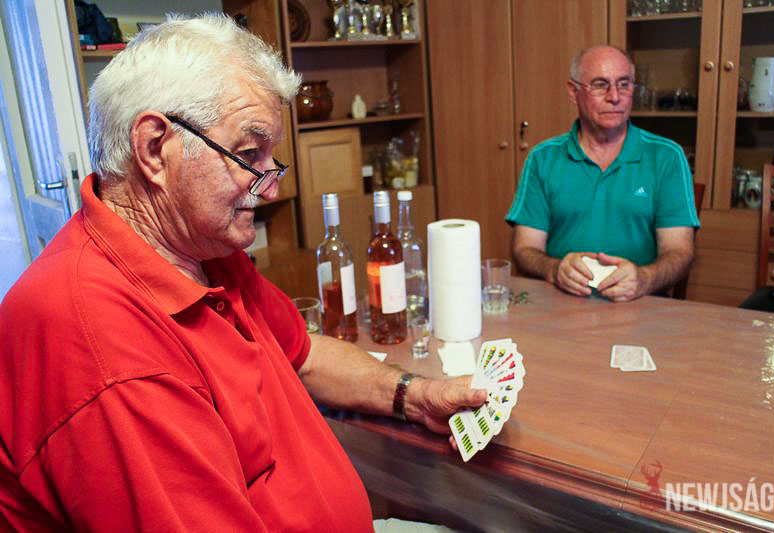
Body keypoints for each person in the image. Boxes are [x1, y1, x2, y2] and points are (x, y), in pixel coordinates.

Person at [0, 14, 485, 531]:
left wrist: (413, 395)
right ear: (154, 148)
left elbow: (301, 354)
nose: (271, 186)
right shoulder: (100, 342)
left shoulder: (203, 248)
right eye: (249, 153)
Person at [506, 45, 699, 302]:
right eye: (600, 85)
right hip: (560, 304)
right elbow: (524, 249)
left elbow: (680, 252)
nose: (615, 97)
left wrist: (645, 278)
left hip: (639, 304)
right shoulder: (542, 158)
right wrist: (553, 269)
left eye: (624, 85)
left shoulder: (666, 156)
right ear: (573, 92)